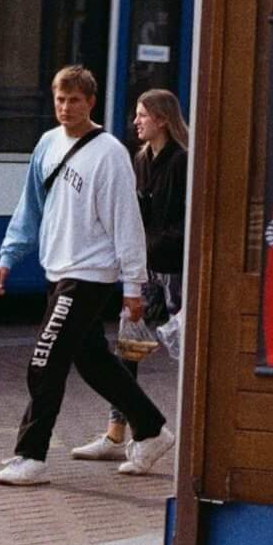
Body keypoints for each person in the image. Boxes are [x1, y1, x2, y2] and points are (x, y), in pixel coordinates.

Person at [0, 64, 174, 485]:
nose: (66, 107)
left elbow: (126, 222)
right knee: (92, 361)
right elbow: (30, 207)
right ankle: (150, 429)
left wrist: (133, 285)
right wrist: (8, 257)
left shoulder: (108, 153)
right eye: (59, 99)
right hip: (58, 267)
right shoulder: (47, 144)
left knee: (45, 359)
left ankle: (30, 456)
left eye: (74, 100)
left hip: (89, 273)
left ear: (91, 102)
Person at [72, 86, 190, 465]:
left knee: (187, 352)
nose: (136, 121)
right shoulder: (140, 160)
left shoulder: (182, 162)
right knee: (128, 350)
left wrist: (148, 244)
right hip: (143, 271)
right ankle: (117, 433)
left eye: (142, 115)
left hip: (172, 273)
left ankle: (188, 432)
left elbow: (182, 222)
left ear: (162, 119)